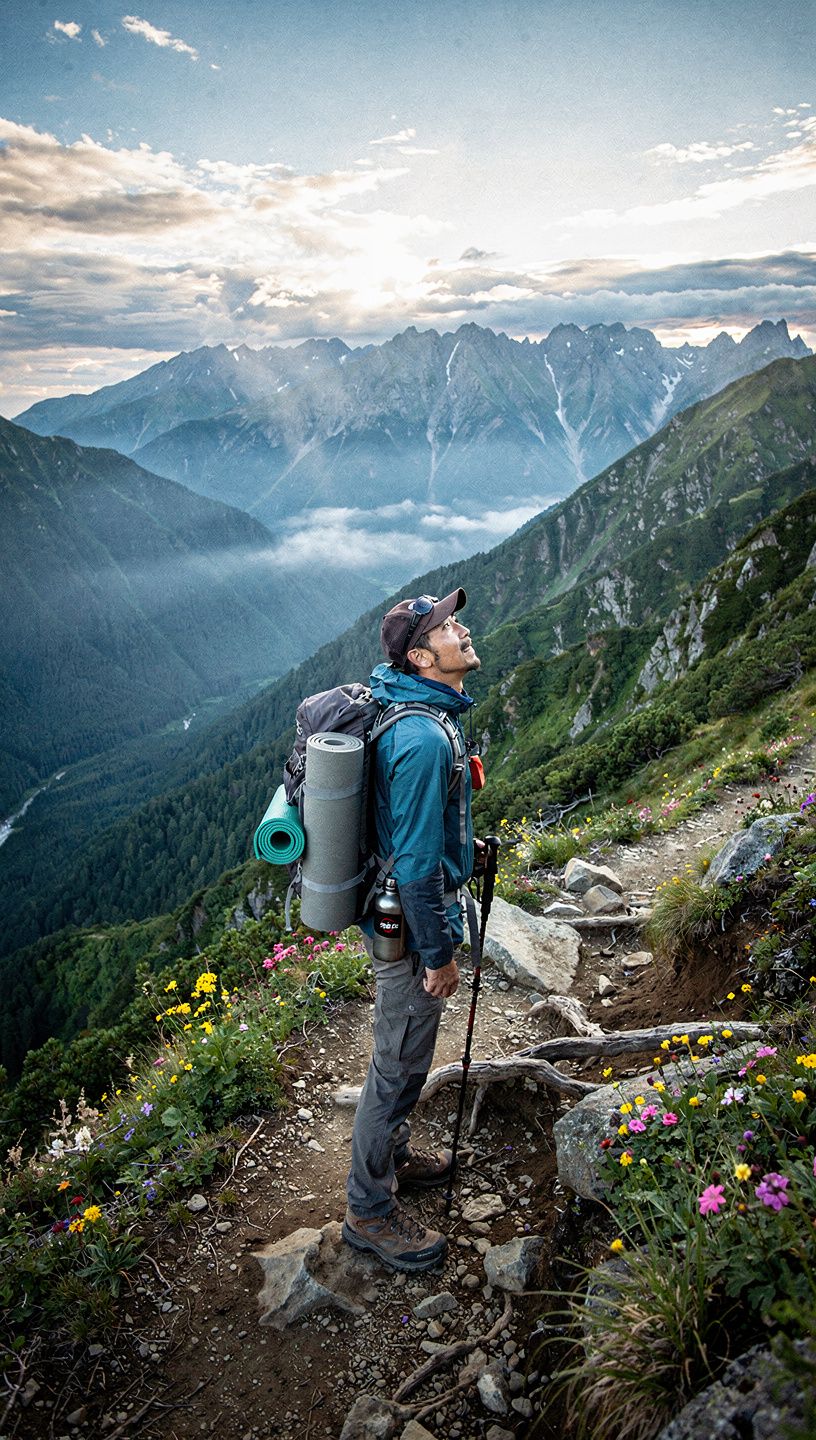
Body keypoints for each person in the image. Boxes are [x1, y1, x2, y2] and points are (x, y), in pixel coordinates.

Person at [342, 588, 481, 1272]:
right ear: (422, 656)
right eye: (449, 627)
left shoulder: (423, 713)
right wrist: (439, 954)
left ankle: (394, 1157)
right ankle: (368, 1212)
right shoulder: (422, 736)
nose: (463, 630)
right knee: (396, 1065)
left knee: (404, 1057)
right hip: (411, 920)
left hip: (403, 905)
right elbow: (420, 864)